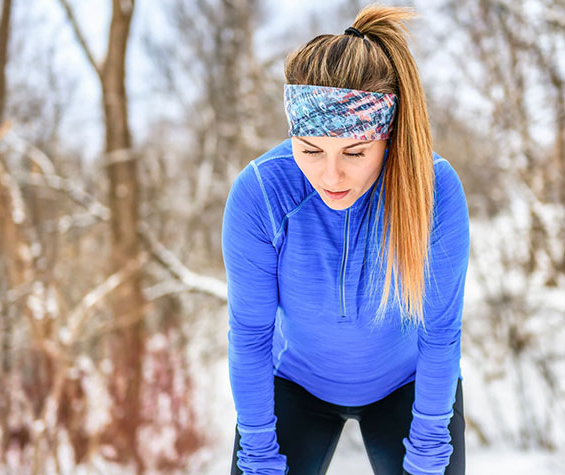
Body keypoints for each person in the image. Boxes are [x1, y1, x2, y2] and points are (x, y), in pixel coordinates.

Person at [222, 5, 469, 474]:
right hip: (295, 385)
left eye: (354, 152)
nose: (330, 175)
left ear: (388, 135)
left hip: (409, 384)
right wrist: (257, 455)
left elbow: (440, 334)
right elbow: (251, 336)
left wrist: (430, 453)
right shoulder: (261, 194)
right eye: (310, 150)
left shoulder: (434, 191)